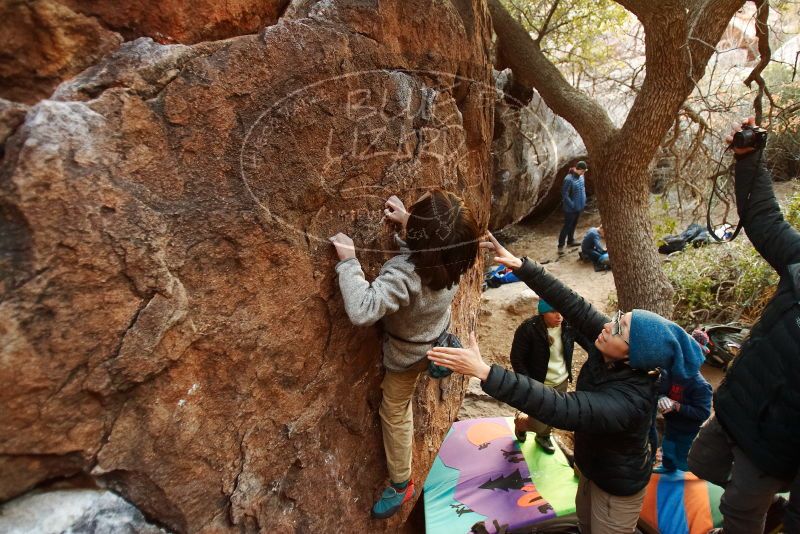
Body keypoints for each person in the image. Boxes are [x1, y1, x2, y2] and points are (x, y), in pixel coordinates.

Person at [428, 233, 705, 534]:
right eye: (618, 318)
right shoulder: (609, 347)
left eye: (619, 329)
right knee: (585, 526)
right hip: (589, 465)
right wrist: (522, 266)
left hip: (616, 488)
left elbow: (562, 407)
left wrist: (485, 372)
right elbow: (573, 304)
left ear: (634, 355)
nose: (608, 325)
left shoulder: (631, 400)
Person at [329, 189, 479, 520]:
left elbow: (363, 309)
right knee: (423, 365)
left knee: (395, 409)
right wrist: (409, 222)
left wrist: (349, 262)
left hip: (408, 355)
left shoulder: (403, 275)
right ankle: (438, 364)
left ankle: (401, 483)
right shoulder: (456, 258)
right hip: (437, 336)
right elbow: (438, 242)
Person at [687, 118, 800, 534]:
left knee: (739, 507)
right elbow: (765, 220)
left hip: (777, 443)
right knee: (702, 462)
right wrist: (750, 158)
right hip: (740, 406)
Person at [509, 299, 592, 453]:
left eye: (561, 311)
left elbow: (588, 342)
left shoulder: (568, 325)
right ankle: (521, 423)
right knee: (537, 422)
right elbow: (517, 358)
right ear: (542, 312)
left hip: (561, 380)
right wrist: (528, 383)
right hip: (539, 384)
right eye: (553, 311)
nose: (559, 316)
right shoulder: (528, 329)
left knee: (555, 414)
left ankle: (544, 436)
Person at [654, 367, 712, 473]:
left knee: (683, 457)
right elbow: (659, 390)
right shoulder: (669, 376)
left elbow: (703, 413)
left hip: (688, 430)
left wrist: (676, 406)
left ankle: (692, 472)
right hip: (671, 424)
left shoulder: (700, 385)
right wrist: (662, 397)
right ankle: (668, 467)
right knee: (667, 448)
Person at [558, 160, 588, 255]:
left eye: (584, 171)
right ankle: (560, 246)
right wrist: (572, 205)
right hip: (570, 209)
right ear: (577, 169)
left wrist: (583, 200)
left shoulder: (581, 176)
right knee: (567, 226)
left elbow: (582, 188)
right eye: (582, 171)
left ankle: (570, 241)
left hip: (579, 206)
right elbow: (565, 194)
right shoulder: (568, 179)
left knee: (574, 224)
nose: (583, 173)